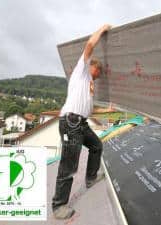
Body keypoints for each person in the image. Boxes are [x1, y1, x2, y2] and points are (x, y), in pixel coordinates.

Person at [52, 24, 114, 220]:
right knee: (69, 165)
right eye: (99, 72)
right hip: (70, 123)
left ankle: (91, 177)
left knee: (96, 145)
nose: (99, 75)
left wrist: (107, 110)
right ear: (92, 66)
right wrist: (103, 29)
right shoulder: (81, 71)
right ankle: (59, 206)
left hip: (81, 123)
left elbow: (90, 109)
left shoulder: (88, 86)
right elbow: (89, 44)